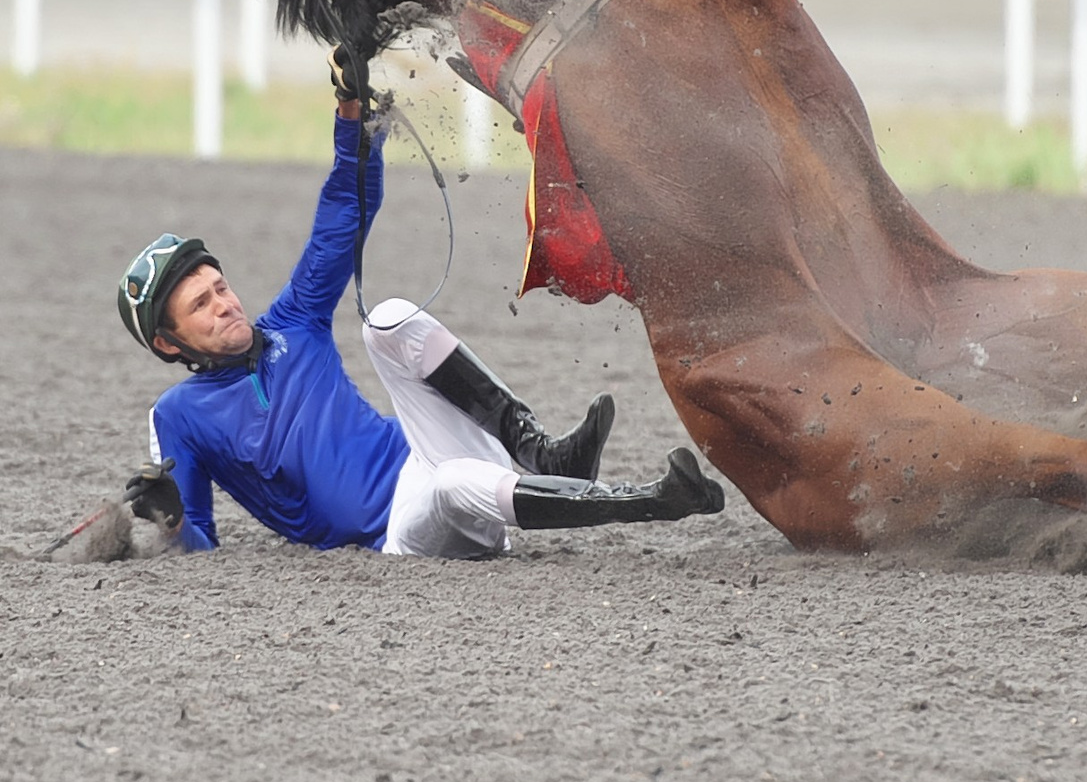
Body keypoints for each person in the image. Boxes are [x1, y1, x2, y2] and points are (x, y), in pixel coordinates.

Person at [114, 50, 725, 558]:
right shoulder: (179, 416)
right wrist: (168, 524)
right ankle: (651, 500)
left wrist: (352, 112)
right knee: (456, 483)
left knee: (388, 319)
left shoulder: (293, 322)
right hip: (402, 533)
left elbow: (343, 216)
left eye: (219, 287)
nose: (224, 305)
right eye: (200, 305)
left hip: (432, 455)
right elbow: (198, 550)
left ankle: (538, 450)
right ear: (169, 343)